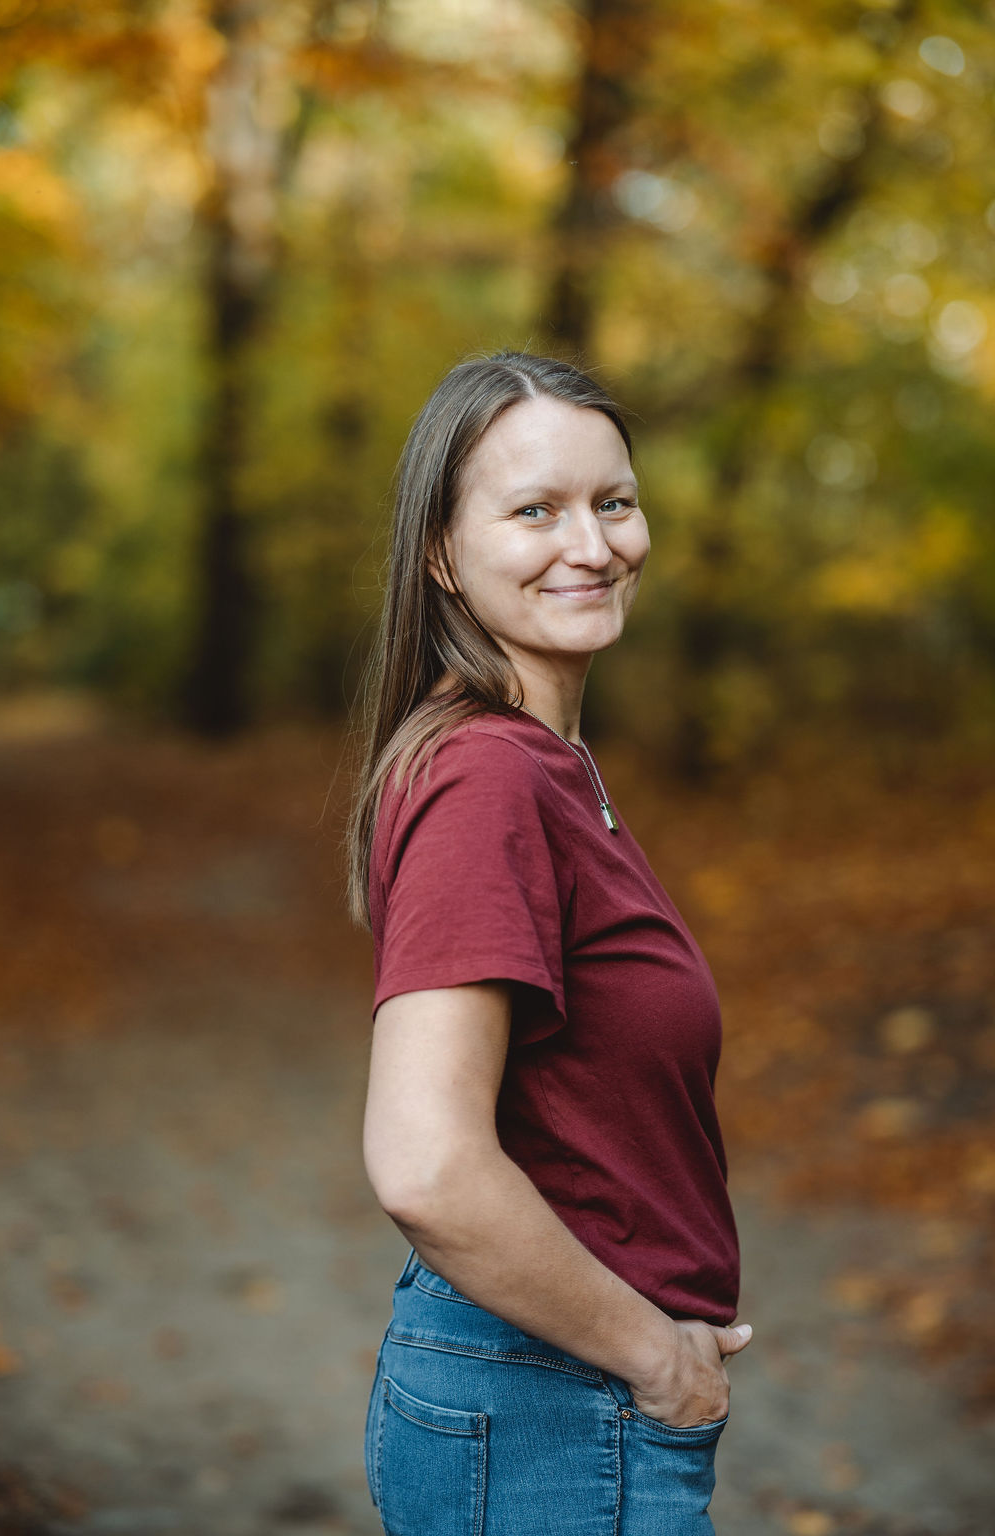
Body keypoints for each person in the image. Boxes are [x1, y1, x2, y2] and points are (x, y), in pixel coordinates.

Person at [346, 351, 751, 1536]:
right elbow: (424, 1162)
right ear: (440, 553)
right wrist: (658, 1363)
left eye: (611, 502)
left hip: (554, 1398)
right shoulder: (486, 781)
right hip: (551, 1409)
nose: (592, 544)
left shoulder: (544, 765)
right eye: (534, 511)